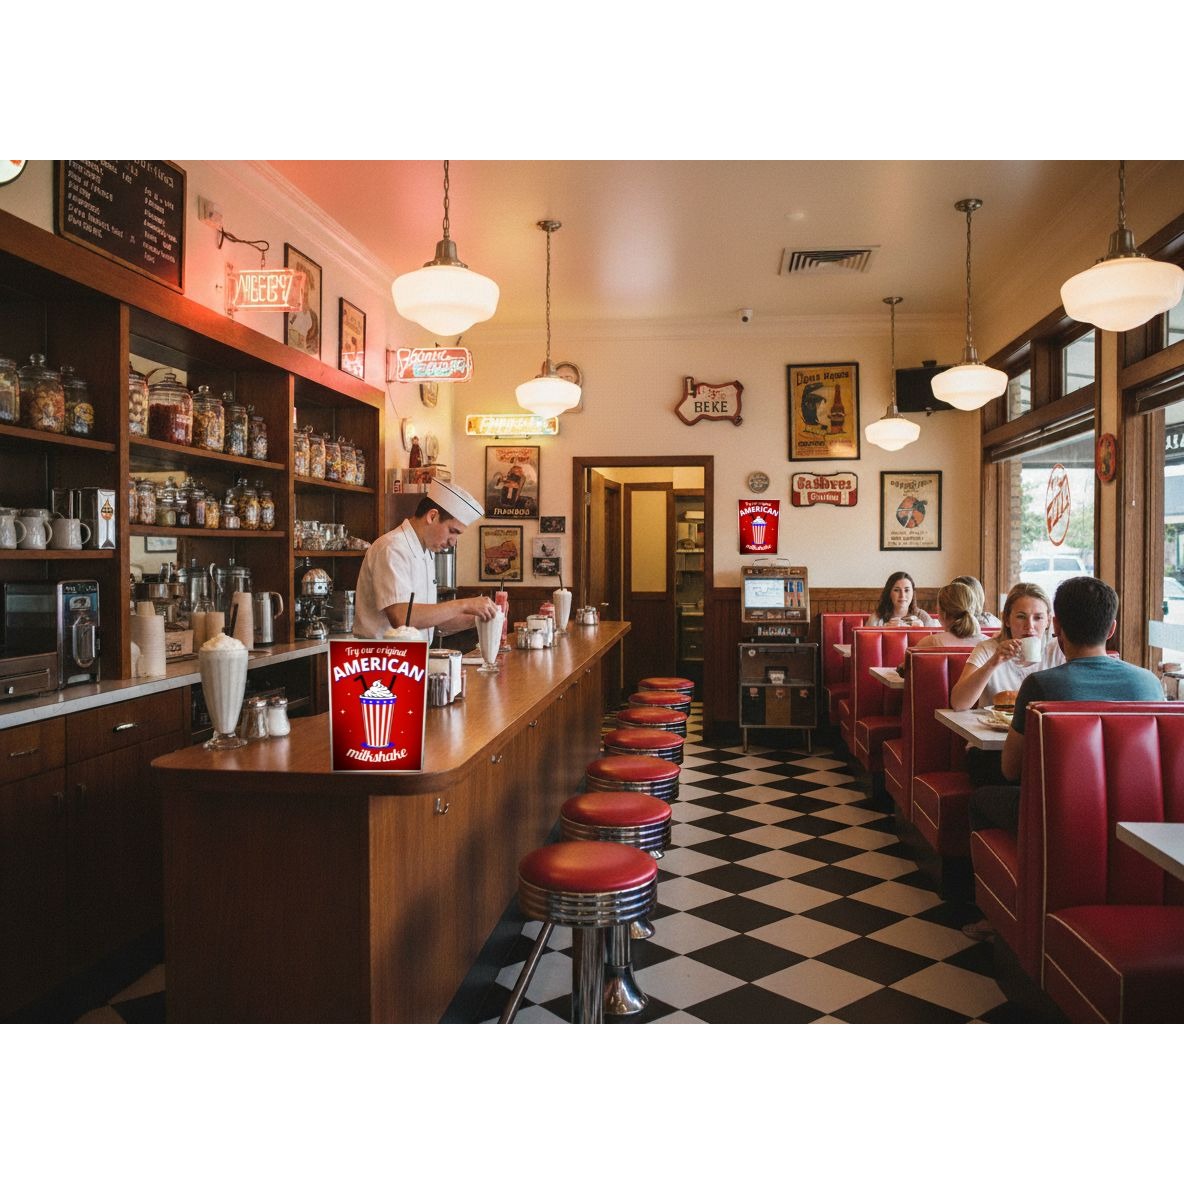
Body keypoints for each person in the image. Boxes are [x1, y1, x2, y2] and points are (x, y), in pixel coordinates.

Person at [970, 576, 1165, 835]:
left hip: (1060, 817)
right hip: (1140, 817)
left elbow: (1010, 769)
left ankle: (1024, 873)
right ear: (1111, 629)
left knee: (979, 799)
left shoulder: (1040, 685)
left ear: (1057, 626)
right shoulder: (1150, 684)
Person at [354, 477, 497, 642]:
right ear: (432, 516)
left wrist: (484, 616)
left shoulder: (426, 552)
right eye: (453, 531)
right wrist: (464, 605)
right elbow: (402, 618)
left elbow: (434, 622)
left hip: (411, 660)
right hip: (381, 660)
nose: (453, 542)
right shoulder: (393, 547)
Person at [950, 582, 1062, 712]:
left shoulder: (1058, 649)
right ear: (1007, 619)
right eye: (1021, 617)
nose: (1029, 626)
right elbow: (958, 703)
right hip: (991, 729)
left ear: (1048, 621)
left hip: (1042, 730)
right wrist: (994, 662)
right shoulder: (988, 649)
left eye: (1038, 618)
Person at [912, 581, 986, 650]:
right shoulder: (990, 644)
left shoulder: (931, 643)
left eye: (937, 605)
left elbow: (907, 663)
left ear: (943, 613)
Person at [865, 571, 936, 626]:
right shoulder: (876, 618)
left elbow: (935, 641)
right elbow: (867, 643)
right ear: (889, 593)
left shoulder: (922, 616)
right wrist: (885, 630)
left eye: (907, 590)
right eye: (896, 590)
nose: (902, 595)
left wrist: (921, 631)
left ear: (913, 593)